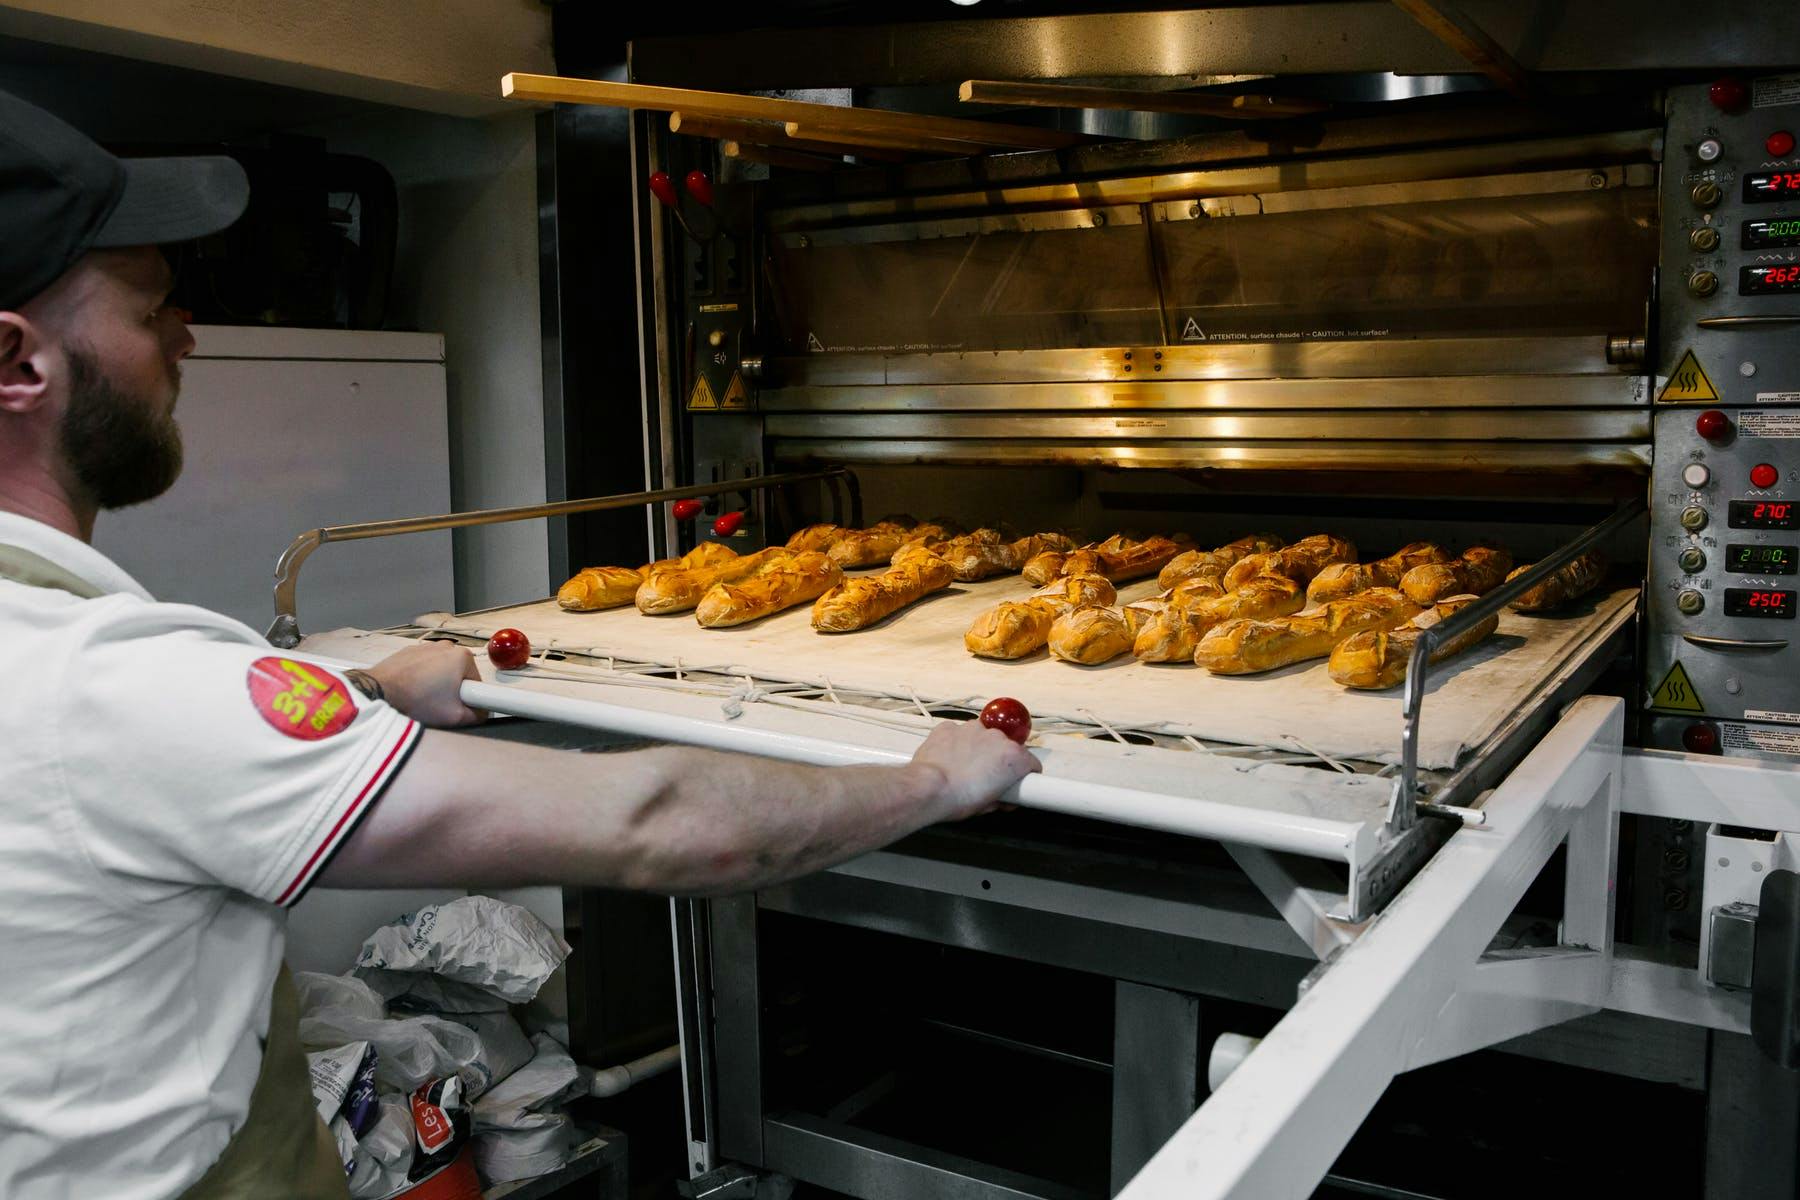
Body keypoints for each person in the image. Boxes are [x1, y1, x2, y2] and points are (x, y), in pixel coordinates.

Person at [0, 89, 1039, 1199]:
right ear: (18, 361)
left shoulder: (81, 672)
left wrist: (360, 689)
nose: (186, 335)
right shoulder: (109, 683)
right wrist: (927, 780)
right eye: (154, 308)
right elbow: (652, 825)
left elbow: (130, 755)